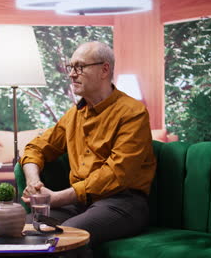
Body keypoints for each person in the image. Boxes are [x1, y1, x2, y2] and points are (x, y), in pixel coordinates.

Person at [21, 41, 156, 257]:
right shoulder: (73, 114)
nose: (72, 74)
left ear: (105, 69)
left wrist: (57, 198)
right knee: (22, 231)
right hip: (79, 204)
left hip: (123, 202)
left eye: (80, 67)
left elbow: (116, 174)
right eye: (71, 67)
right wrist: (33, 181)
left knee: (65, 239)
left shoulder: (133, 113)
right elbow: (36, 147)